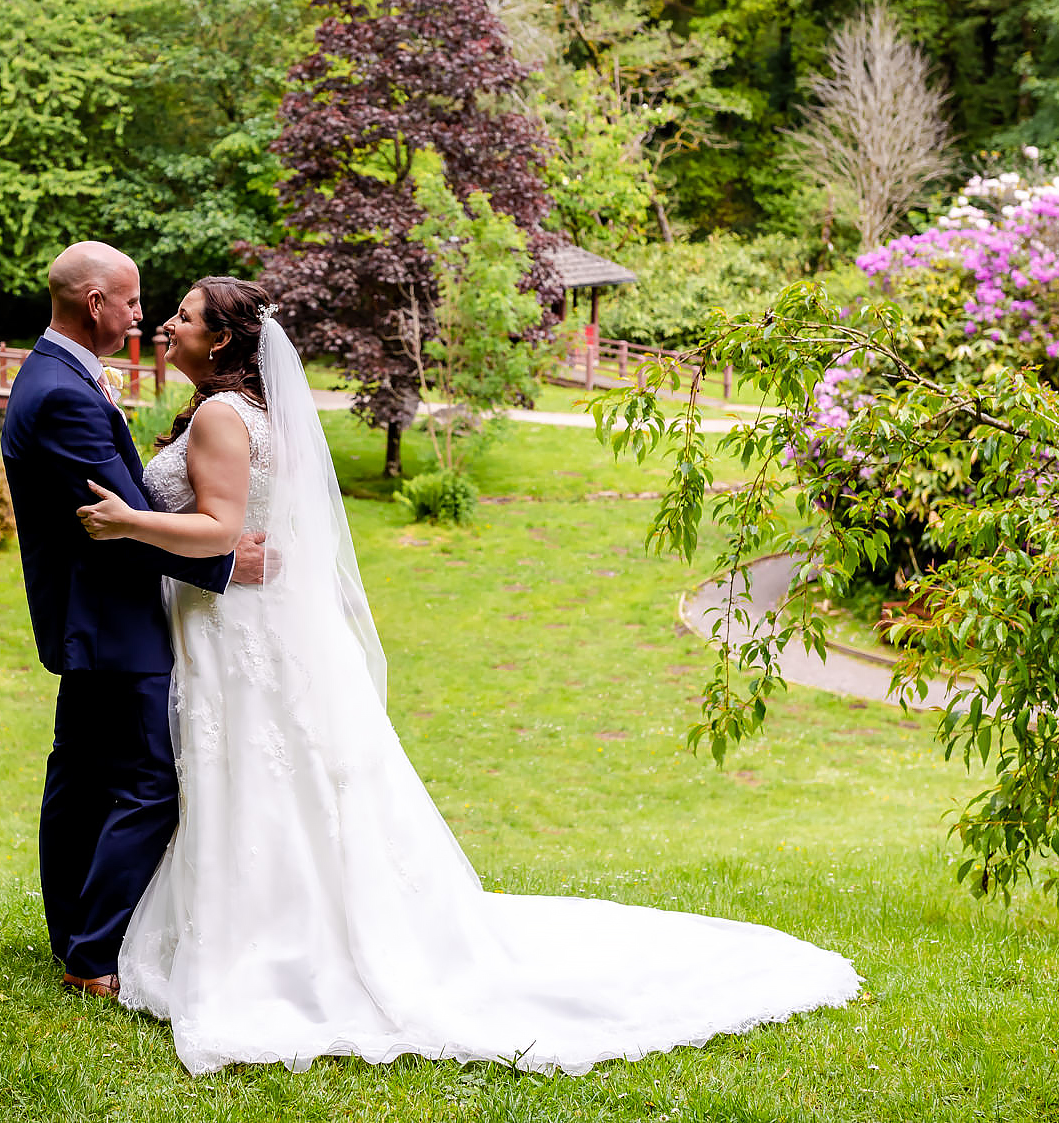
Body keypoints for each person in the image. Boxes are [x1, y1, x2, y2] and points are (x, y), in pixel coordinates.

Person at [74, 274, 860, 1075]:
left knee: (258, 771)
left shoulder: (217, 413)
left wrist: (124, 521)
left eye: (184, 318)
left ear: (225, 341)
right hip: (251, 621)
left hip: (236, 628)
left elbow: (222, 527)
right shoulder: (253, 411)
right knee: (282, 776)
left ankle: (274, 947)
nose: (168, 326)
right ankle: (287, 927)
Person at [0, 242, 268, 999]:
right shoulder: (64, 393)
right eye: (134, 301)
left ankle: (75, 936)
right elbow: (121, 516)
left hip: (99, 616)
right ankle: (89, 954)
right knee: (150, 783)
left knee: (81, 779)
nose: (143, 315)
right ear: (95, 304)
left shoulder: (57, 375)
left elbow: (132, 513)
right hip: (112, 619)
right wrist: (225, 562)